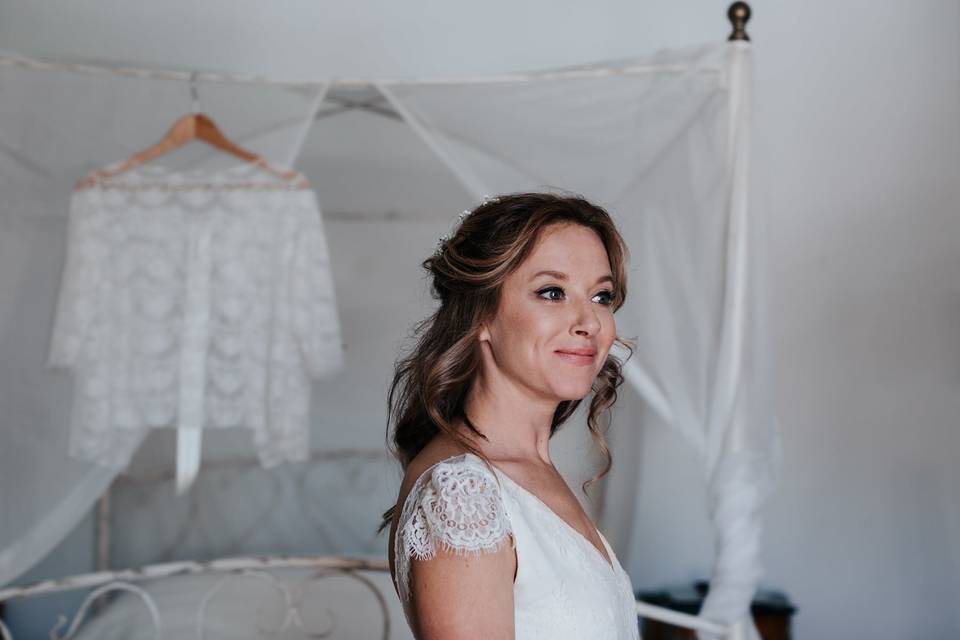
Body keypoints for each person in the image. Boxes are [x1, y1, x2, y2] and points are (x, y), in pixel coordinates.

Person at [378, 192, 639, 639]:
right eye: (552, 292)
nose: (590, 322)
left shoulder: (529, 472)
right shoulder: (463, 493)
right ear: (481, 314)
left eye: (601, 295)